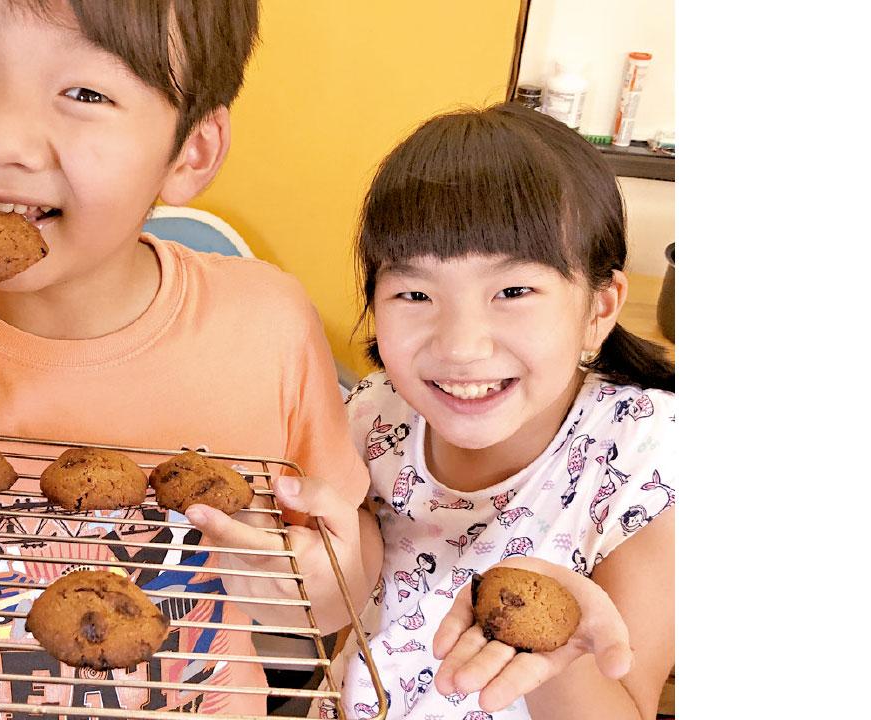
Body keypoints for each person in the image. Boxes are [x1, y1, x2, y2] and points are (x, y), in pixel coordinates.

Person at [0, 1, 370, 717]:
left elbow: (335, 588)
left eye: (86, 92)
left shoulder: (267, 326)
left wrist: (321, 586)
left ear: (190, 151)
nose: (1, 140)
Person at [191, 103, 674, 720]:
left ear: (600, 307)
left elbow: (626, 707)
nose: (460, 346)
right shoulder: (374, 418)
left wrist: (564, 652)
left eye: (513, 291)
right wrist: (292, 575)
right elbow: (343, 602)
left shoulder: (646, 457)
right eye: (415, 293)